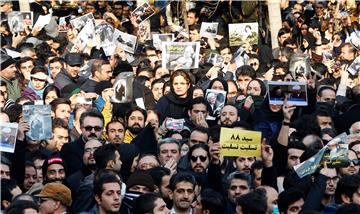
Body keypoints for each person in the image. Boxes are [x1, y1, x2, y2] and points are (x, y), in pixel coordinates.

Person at [61, 108, 105, 176]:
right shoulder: (69, 149)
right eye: (88, 128)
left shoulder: (107, 150)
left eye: (97, 129)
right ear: (81, 128)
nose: (93, 131)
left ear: (102, 130)